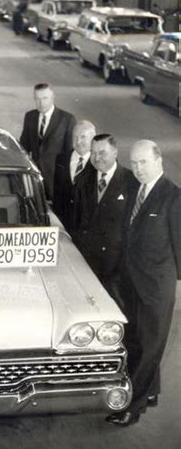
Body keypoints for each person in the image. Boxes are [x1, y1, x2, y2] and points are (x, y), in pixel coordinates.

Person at [107, 140, 180, 427]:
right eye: (134, 163)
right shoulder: (136, 189)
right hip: (131, 283)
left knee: (149, 347)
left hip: (156, 289)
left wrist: (165, 282)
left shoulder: (173, 197)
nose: (137, 168)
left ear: (158, 160)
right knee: (138, 341)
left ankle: (132, 407)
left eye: (143, 162)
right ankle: (150, 392)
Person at [72, 134, 130, 302]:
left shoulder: (130, 181)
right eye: (93, 153)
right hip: (86, 260)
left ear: (115, 153)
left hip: (114, 267)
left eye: (102, 153)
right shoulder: (84, 179)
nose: (97, 158)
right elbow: (76, 217)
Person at [19, 83, 75, 201]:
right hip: (35, 178)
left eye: (45, 98)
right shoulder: (30, 117)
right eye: (37, 99)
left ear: (52, 97)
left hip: (55, 179)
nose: (41, 103)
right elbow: (23, 147)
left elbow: (69, 152)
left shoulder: (66, 119)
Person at [52, 120, 96, 234]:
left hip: (87, 229)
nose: (78, 141)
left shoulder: (99, 163)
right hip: (64, 226)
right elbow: (57, 194)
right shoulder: (61, 159)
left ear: (93, 139)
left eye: (83, 137)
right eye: (75, 137)